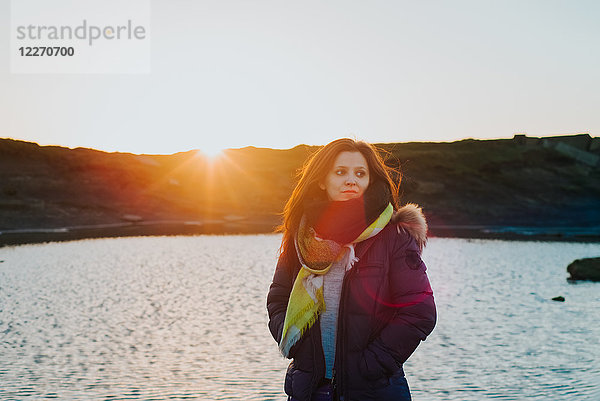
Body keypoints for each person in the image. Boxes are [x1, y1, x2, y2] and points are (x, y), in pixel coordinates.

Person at [266, 138, 436, 401]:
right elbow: (278, 299)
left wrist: (370, 365)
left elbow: (419, 311)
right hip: (309, 390)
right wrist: (294, 343)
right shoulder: (300, 236)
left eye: (360, 173)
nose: (351, 180)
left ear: (370, 181)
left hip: (372, 391)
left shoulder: (393, 236)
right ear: (322, 180)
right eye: (340, 172)